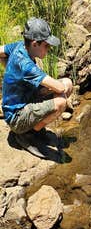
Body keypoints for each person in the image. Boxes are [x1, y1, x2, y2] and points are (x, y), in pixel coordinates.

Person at [0, 17, 73, 158]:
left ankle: (35, 128)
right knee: (61, 102)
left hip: (25, 97)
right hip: (17, 116)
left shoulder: (19, 46)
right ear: (34, 44)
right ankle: (27, 134)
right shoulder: (26, 66)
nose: (49, 49)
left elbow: (1, 50)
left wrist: (8, 67)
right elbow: (60, 88)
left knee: (68, 83)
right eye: (46, 45)